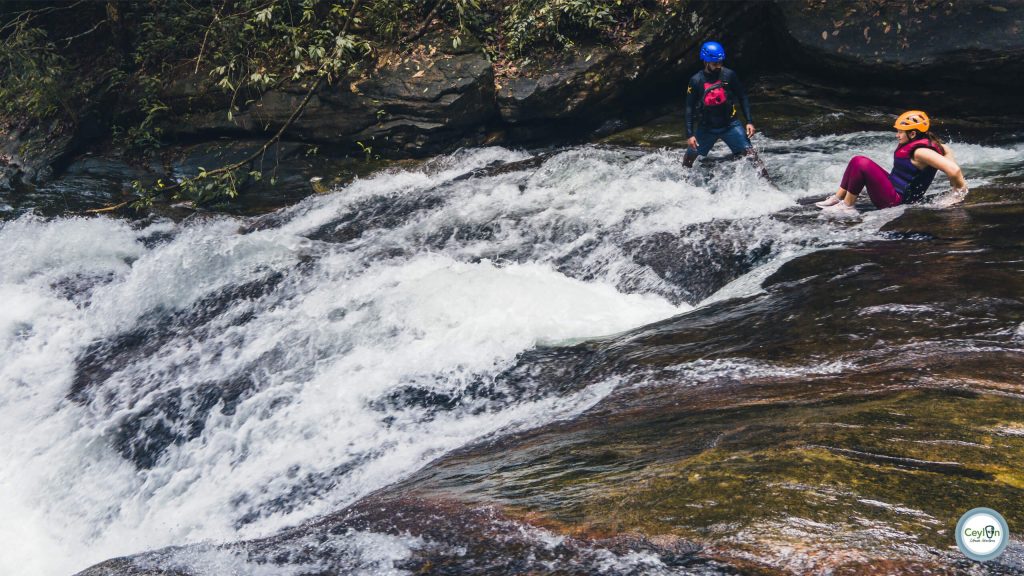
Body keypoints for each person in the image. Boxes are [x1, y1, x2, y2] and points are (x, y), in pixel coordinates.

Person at [817, 110, 968, 212]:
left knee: (861, 163)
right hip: (892, 189)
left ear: (913, 134)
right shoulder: (921, 143)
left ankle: (847, 206)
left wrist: (958, 192)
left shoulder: (921, 152)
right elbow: (947, 149)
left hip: (896, 201)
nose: (897, 135)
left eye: (900, 132)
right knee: (854, 161)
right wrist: (952, 182)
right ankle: (838, 198)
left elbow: (954, 170)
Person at [683, 41, 764, 175]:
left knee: (752, 155)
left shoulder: (729, 75)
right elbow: (689, 108)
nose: (718, 66)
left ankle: (768, 184)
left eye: (720, 62)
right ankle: (682, 183)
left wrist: (749, 121)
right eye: (715, 63)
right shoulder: (696, 80)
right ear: (705, 61)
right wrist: (690, 134)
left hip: (730, 125)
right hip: (706, 128)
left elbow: (742, 96)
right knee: (688, 160)